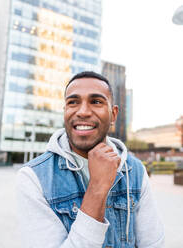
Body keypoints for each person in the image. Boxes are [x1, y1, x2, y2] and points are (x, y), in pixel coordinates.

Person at [16, 71, 164, 248]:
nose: (83, 112)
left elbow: (154, 244)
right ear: (65, 111)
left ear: (113, 114)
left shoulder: (135, 170)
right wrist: (97, 187)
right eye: (73, 102)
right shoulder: (33, 178)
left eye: (96, 101)